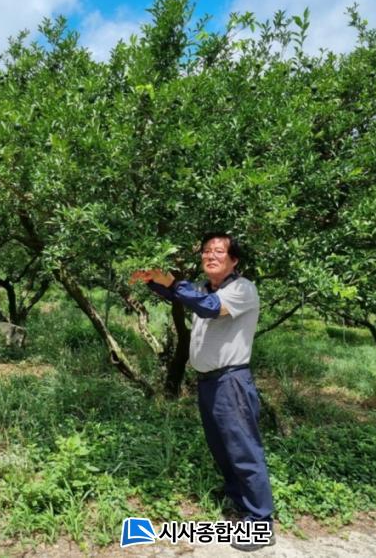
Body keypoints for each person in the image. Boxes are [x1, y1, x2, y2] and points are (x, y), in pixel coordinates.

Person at [131, 233, 275, 551]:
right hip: (209, 382)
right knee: (221, 447)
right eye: (206, 251)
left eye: (219, 251)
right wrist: (152, 281)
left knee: (243, 450)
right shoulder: (205, 289)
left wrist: (172, 281)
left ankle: (261, 523)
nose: (210, 256)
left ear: (234, 260)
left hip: (231, 381)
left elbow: (209, 308)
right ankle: (239, 500)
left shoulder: (242, 289)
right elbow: (184, 297)